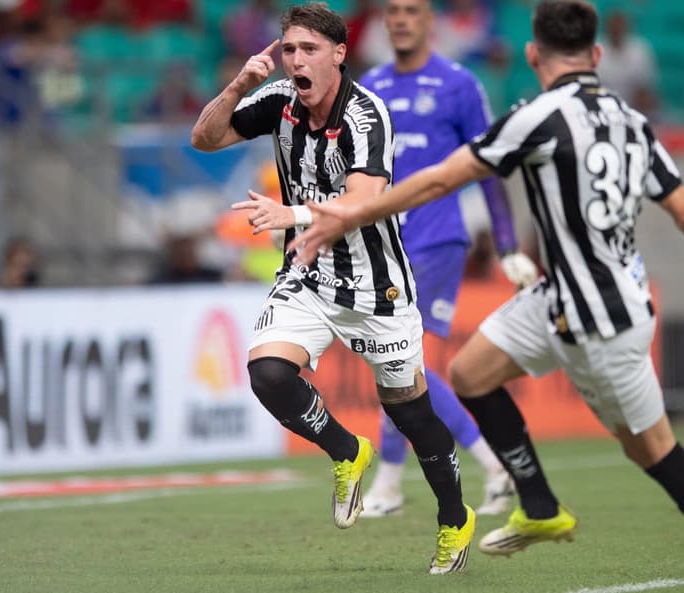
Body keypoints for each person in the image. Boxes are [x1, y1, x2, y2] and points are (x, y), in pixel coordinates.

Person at [285, 1, 684, 591]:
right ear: (597, 56)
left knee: (653, 452)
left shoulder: (536, 116)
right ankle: (540, 503)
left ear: (532, 54)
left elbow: (447, 176)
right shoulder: (632, 121)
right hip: (563, 298)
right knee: (472, 372)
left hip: (600, 321)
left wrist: (353, 211)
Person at [191, 2, 475, 575]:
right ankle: (347, 451)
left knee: (412, 415)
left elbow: (365, 203)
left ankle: (454, 518)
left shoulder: (367, 116)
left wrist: (288, 214)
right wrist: (240, 84)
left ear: (339, 55)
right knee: (268, 373)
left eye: (309, 50)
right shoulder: (280, 103)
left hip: (378, 290)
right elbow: (205, 138)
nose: (296, 60)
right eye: (289, 50)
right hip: (310, 274)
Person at [356, 0, 533, 520]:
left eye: (412, 10)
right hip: (385, 245)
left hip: (437, 240)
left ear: (430, 21)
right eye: (393, 11)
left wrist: (507, 245)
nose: (402, 19)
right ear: (385, 22)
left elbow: (491, 166)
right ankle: (397, 482)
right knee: (396, 360)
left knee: (402, 360)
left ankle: (483, 466)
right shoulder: (370, 88)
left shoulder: (459, 84)